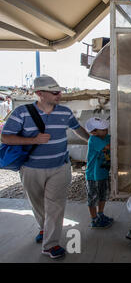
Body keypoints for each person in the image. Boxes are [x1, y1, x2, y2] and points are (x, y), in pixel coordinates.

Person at [1, 75, 90, 259]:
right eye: (54, 92)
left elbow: (78, 129)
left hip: (60, 167)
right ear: (40, 94)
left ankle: (50, 244)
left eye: (60, 91)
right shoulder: (21, 113)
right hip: (31, 169)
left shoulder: (65, 112)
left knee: (55, 206)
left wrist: (94, 139)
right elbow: (6, 137)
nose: (59, 95)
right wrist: (33, 140)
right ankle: (44, 228)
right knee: (38, 204)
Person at [84, 117, 114, 228]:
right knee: (93, 198)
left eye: (106, 129)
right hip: (93, 175)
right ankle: (94, 219)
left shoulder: (106, 137)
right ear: (93, 132)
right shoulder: (93, 139)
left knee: (103, 195)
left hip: (103, 173)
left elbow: (113, 140)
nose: (106, 131)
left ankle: (100, 214)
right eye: (103, 129)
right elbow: (109, 146)